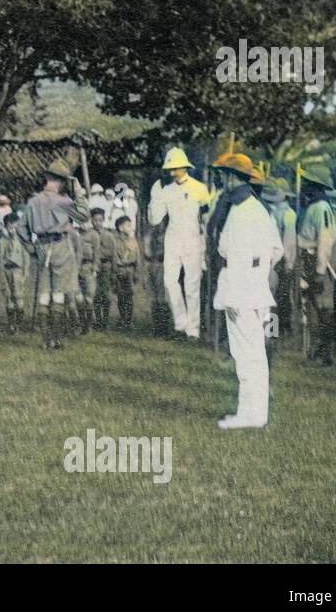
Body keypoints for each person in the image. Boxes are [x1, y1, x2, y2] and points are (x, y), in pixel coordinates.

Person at [211, 153, 282, 429]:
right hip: (255, 286)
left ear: (232, 178)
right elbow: (277, 250)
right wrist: (260, 270)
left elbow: (232, 254)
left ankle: (250, 415)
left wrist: (240, 286)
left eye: (223, 175)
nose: (221, 180)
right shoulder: (258, 209)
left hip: (240, 287)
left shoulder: (240, 211)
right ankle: (253, 412)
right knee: (254, 352)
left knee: (245, 352)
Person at [24, 159, 88, 349]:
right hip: (60, 246)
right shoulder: (64, 201)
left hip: (41, 246)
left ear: (46, 178)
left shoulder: (33, 201)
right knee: (58, 293)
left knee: (44, 293)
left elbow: (22, 228)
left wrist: (31, 247)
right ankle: (56, 339)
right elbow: (83, 215)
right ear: (62, 181)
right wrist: (79, 192)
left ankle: (45, 341)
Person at [147, 147, 210, 341]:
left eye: (176, 168)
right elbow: (155, 219)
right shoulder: (166, 190)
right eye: (170, 169)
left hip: (192, 240)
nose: (172, 173)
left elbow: (206, 218)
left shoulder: (199, 188)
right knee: (169, 282)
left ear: (185, 167)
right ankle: (180, 323)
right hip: (173, 240)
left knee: (192, 284)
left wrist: (205, 245)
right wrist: (155, 197)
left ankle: (193, 330)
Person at [296, 164, 336, 366]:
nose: (303, 185)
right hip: (308, 258)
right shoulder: (312, 206)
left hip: (318, 260)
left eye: (306, 182)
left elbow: (325, 240)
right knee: (315, 306)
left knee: (323, 307)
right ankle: (319, 350)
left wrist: (321, 270)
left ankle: (325, 354)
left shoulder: (321, 208)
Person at [259, 178, 298, 347]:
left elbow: (289, 241)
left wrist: (289, 262)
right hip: (272, 258)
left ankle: (275, 331)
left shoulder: (288, 214)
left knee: (276, 298)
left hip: (279, 260)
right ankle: (272, 331)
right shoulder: (271, 211)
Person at [112, 216, 138, 329]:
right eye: (128, 225)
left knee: (129, 296)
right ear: (120, 227)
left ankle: (129, 320)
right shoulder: (115, 241)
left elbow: (137, 258)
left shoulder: (133, 241)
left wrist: (136, 273)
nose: (130, 228)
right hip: (119, 271)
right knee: (121, 296)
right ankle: (122, 319)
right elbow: (113, 257)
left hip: (130, 271)